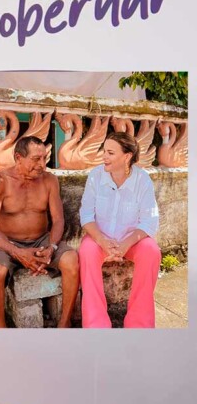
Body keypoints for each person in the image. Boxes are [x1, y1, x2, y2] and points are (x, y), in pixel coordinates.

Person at [0, 136, 80, 328]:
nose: (42, 165)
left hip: (42, 241)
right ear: (18, 157)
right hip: (8, 243)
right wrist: (16, 252)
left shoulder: (50, 180)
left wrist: (51, 247)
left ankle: (65, 322)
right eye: (36, 159)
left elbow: (58, 219)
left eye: (44, 158)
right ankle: (1, 331)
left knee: (72, 260)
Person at [78, 132, 161, 328]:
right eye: (104, 151)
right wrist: (102, 241)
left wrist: (125, 244)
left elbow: (150, 221)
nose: (103, 156)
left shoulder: (142, 180)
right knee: (87, 251)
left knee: (151, 251)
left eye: (110, 152)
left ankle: (139, 323)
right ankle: (96, 323)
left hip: (131, 241)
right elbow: (86, 215)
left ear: (127, 156)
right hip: (99, 238)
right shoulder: (95, 176)